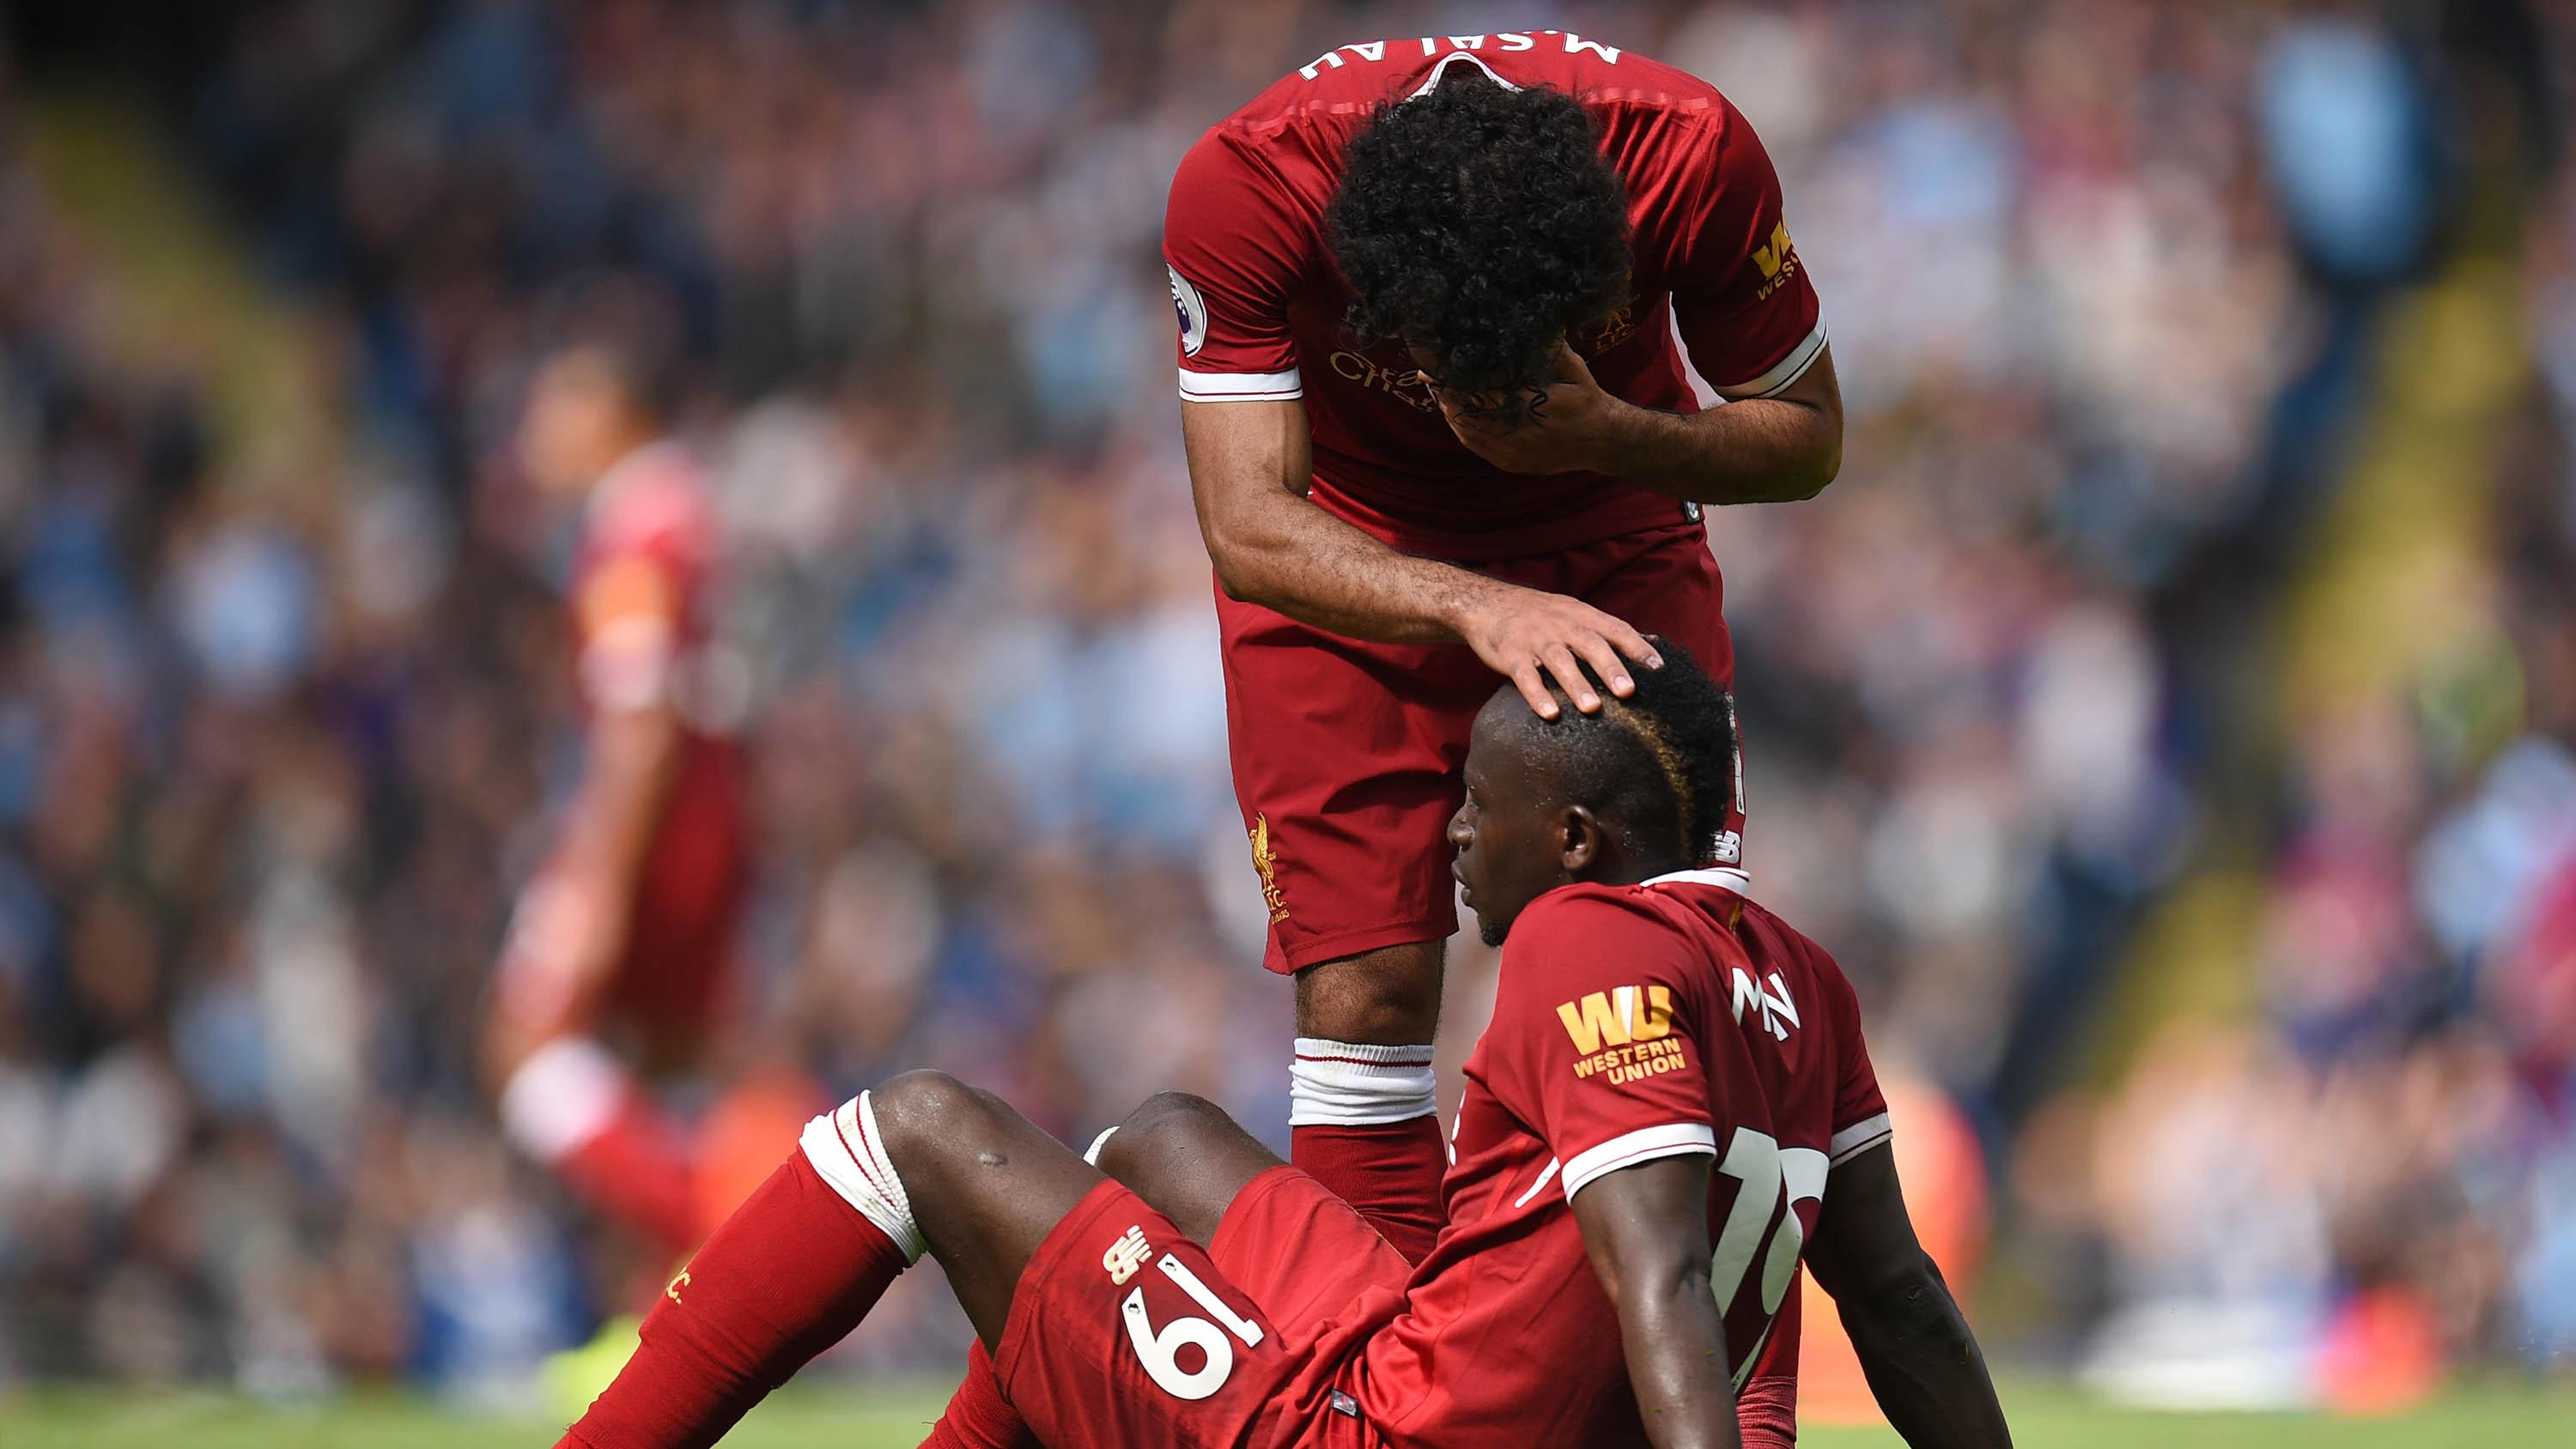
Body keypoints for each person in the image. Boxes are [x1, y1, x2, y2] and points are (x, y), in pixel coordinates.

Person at [554, 646, 2009, 1449]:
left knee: (919, 1126)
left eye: (1478, 801)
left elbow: (1663, 1276)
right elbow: (1901, 1301)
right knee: (1162, 1139)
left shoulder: (1583, 936)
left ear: (1574, 838)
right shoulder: (1803, 977)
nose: (1450, 832)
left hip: (1392, 1439)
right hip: (1438, 1363)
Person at [1167, 31, 1843, 1266]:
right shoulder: (1248, 185)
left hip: (1611, 525)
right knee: (1364, 995)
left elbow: (1806, 435)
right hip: (1352, 560)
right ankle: (1382, 1393)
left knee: (1661, 968)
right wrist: (1479, 605)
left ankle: (1673, 1389)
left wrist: (1609, 430)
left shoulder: (1688, 153)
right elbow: (1248, 524)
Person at [486, 330, 758, 1263]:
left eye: (556, 406)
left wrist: (596, 876)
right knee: (658, 1066)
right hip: (714, 816)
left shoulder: (632, 534)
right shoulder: (690, 510)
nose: (536, 432)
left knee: (528, 1046)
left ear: (615, 414)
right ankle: (655, 1323)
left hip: (659, 822)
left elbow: (638, 720)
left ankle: (711, 1242)